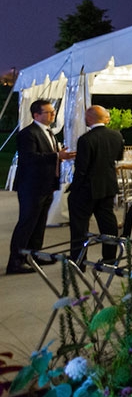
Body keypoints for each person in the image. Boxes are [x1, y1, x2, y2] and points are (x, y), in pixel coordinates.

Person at [7, 100, 75, 275]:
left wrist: (59, 156)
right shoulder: (28, 133)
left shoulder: (48, 131)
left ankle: (34, 255)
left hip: (46, 184)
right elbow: (29, 158)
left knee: (39, 223)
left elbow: (49, 155)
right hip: (31, 185)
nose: (53, 115)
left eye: (53, 112)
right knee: (27, 223)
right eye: (49, 112)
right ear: (36, 115)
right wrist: (56, 155)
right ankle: (16, 261)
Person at [68, 106, 125, 264]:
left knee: (79, 225)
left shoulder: (86, 139)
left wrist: (74, 188)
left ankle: (78, 259)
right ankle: (110, 257)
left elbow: (82, 168)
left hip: (87, 188)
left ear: (90, 118)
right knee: (108, 222)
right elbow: (118, 157)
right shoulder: (116, 135)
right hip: (107, 185)